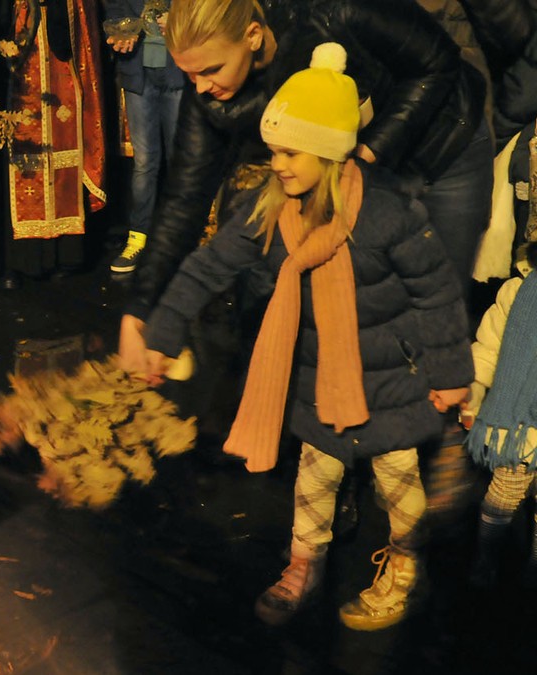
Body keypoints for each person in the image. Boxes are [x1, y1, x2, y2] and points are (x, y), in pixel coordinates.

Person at [142, 44, 472, 629]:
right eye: (274, 151)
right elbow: (208, 265)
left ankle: (404, 559)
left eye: (290, 152)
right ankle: (303, 562)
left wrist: (449, 375)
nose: (277, 165)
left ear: (327, 150)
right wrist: (163, 329)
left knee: (397, 479)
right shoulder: (273, 208)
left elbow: (436, 291)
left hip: (391, 374)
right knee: (315, 476)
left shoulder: (388, 212)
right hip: (320, 374)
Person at [118, 0, 490, 376]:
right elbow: (185, 197)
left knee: (436, 299)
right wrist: (141, 307)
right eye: (189, 75)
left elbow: (438, 61)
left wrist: (370, 150)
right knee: (366, 314)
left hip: (442, 146)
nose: (200, 87)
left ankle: (438, 399)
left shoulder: (335, 10)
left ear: (252, 35)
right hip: (353, 174)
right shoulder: (208, 92)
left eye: (211, 70)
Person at [4, 0, 107, 282]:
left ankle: (66, 253)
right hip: (21, 50)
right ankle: (23, 258)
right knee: (21, 142)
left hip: (60, 52)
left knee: (65, 138)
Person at [463, 241, 537, 588]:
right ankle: (486, 559)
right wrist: (475, 389)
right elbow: (490, 346)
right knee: (502, 496)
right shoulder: (518, 290)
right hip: (517, 421)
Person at [102, 0, 185, 275]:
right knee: (144, 163)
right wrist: (120, 30)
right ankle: (138, 237)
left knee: (180, 161)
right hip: (138, 74)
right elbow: (114, 8)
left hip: (178, 70)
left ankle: (178, 239)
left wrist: (179, 21)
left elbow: (203, 10)